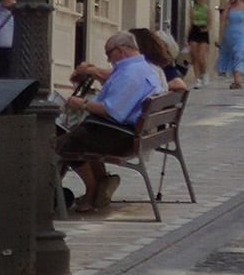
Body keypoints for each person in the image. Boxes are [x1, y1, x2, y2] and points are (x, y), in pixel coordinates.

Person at [57, 31, 167, 213]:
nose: (108, 59)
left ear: (121, 50)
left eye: (109, 53)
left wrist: (82, 104)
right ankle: (101, 182)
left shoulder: (130, 74)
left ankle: (92, 190)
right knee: (77, 133)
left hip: (121, 136)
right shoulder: (142, 67)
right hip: (131, 131)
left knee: (63, 144)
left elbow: (113, 111)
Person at [219, 0, 244, 89]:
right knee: (232, 56)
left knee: (239, 54)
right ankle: (235, 80)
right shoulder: (229, 7)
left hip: (241, 33)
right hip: (230, 33)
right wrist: (228, 5)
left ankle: (238, 81)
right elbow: (223, 19)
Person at [185, 0, 211, 89]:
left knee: (201, 56)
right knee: (194, 56)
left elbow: (210, 22)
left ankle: (204, 73)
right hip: (194, 30)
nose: (200, 0)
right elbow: (191, 23)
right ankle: (197, 79)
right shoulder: (192, 9)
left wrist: (206, 28)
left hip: (203, 31)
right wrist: (188, 36)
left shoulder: (207, 9)